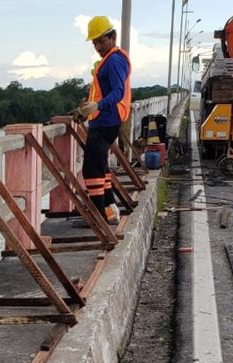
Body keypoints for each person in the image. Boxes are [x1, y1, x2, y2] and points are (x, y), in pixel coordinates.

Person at [75, 15, 132, 224]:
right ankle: (110, 211)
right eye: (95, 42)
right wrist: (85, 110)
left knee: (91, 169)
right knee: (100, 167)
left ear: (113, 37)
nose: (98, 46)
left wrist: (97, 106)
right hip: (102, 120)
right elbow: (101, 92)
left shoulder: (115, 60)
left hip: (107, 120)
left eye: (101, 40)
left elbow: (118, 91)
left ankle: (97, 216)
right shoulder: (108, 60)